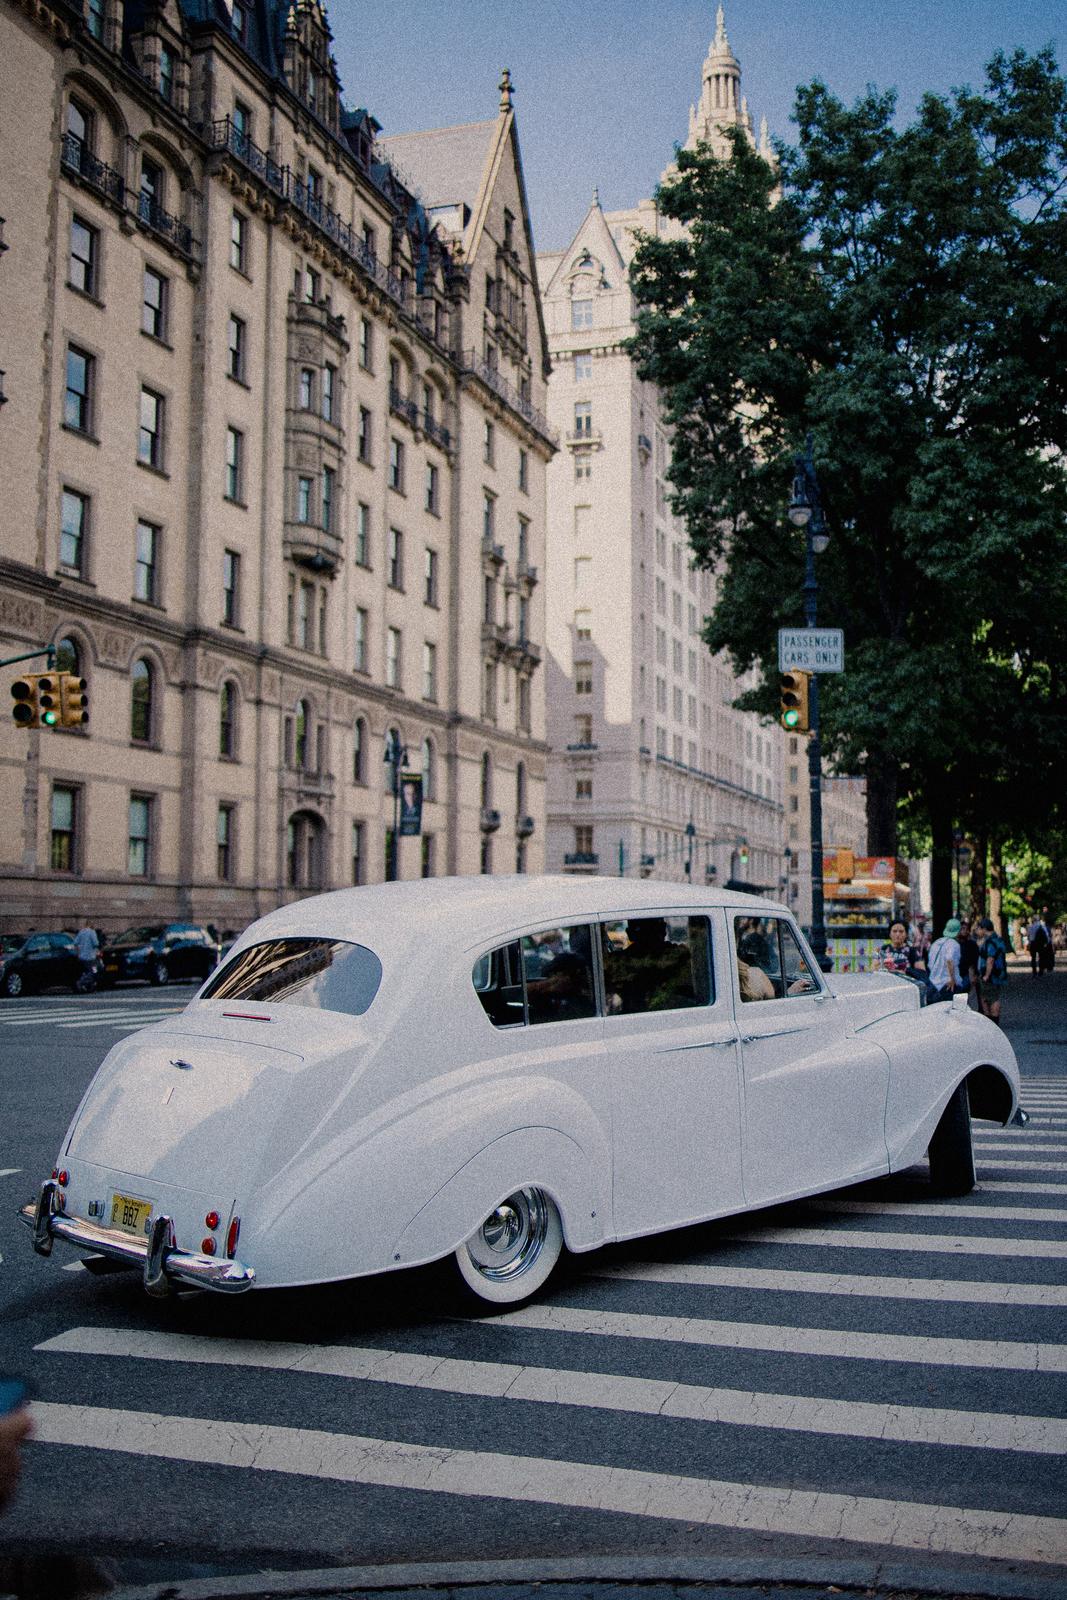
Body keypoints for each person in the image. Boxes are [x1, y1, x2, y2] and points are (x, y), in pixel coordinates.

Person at [975, 916, 1008, 1025]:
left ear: (984, 928)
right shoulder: (998, 939)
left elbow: (990, 959)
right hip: (999, 974)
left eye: (978, 928)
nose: (977, 931)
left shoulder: (990, 942)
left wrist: (986, 975)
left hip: (990, 975)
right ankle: (993, 1020)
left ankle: (992, 1022)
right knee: (992, 997)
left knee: (989, 998)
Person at [925, 918, 961, 1003]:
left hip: (934, 984)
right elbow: (949, 960)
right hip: (948, 985)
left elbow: (929, 963)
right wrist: (952, 979)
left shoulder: (936, 942)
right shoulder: (954, 944)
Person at [73, 916, 99, 991]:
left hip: (82, 957)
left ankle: (89, 986)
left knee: (86, 971)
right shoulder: (92, 932)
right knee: (94, 971)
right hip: (90, 957)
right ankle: (81, 982)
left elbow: (75, 942)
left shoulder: (81, 932)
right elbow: (96, 943)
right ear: (91, 924)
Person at [955, 918, 979, 995]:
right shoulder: (953, 944)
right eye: (962, 929)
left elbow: (975, 961)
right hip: (955, 974)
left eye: (966, 929)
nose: (965, 931)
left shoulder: (972, 944)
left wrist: (974, 975)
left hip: (966, 974)